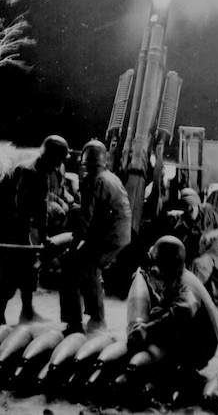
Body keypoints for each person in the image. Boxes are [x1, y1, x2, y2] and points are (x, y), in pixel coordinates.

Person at [0, 134, 69, 328]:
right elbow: (21, 211)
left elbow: (40, 207)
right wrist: (29, 243)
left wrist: (44, 236)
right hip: (0, 218)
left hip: (15, 217)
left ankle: (27, 311)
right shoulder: (29, 172)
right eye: (58, 159)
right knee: (11, 264)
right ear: (51, 157)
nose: (59, 164)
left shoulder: (43, 170)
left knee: (28, 261)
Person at [59, 139, 131, 335]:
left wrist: (72, 248)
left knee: (73, 268)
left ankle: (79, 322)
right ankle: (94, 317)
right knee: (87, 266)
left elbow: (85, 221)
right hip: (119, 234)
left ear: (85, 163)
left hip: (109, 237)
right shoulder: (110, 177)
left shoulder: (92, 180)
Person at [126, 235, 218, 379]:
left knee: (158, 326)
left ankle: (179, 368)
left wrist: (148, 329)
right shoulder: (177, 275)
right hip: (200, 337)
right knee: (157, 313)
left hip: (201, 347)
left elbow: (183, 311)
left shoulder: (185, 285)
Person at [169, 187, 218, 286]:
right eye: (187, 211)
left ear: (197, 205)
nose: (190, 213)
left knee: (198, 268)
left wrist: (210, 234)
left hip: (209, 253)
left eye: (191, 209)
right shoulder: (183, 221)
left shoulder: (208, 211)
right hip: (192, 255)